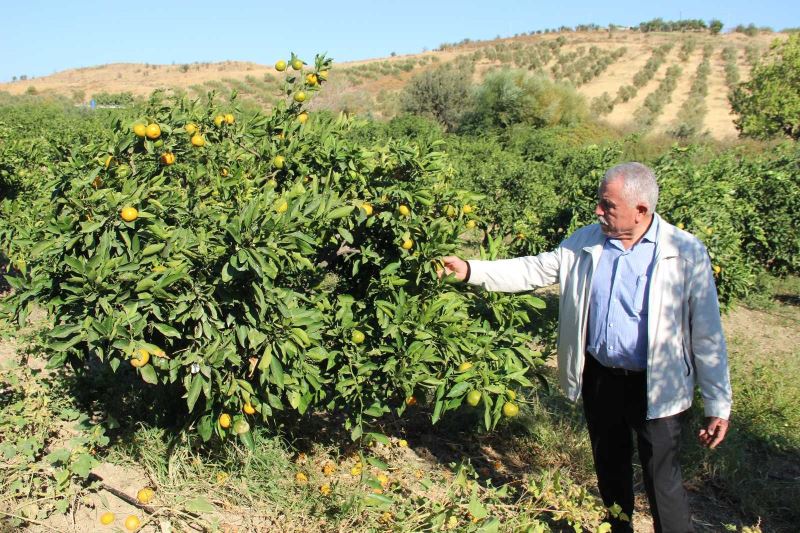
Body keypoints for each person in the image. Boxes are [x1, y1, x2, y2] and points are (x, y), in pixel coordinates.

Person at [440, 162, 731, 533]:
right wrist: (469, 269)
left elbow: (707, 333)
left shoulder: (684, 252)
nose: (598, 211)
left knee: (664, 482)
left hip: (658, 384)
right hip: (602, 378)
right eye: (599, 202)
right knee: (610, 468)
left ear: (641, 210)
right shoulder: (585, 242)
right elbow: (533, 269)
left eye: (607, 205)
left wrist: (718, 404)